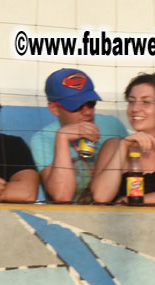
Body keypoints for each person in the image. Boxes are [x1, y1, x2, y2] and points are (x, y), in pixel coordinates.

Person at [89, 72, 155, 206]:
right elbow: (101, 197)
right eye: (131, 101)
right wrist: (123, 148)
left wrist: (129, 201)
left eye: (146, 102)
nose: (135, 108)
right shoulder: (113, 146)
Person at [30, 68, 127, 203]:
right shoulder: (42, 140)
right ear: (54, 108)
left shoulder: (113, 125)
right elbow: (63, 196)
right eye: (76, 106)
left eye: (91, 103)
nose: (87, 112)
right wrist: (62, 137)